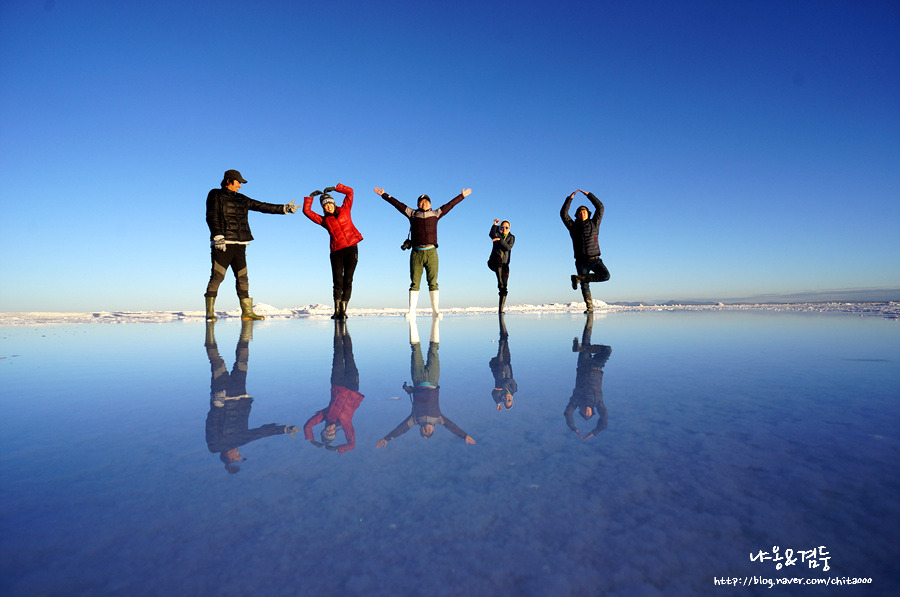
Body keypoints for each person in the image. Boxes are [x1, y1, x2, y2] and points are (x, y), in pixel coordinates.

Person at [204, 320, 298, 473]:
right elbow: (261, 433)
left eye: (237, 458)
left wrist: (217, 405)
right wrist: (284, 429)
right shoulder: (241, 440)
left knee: (216, 362)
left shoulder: (215, 445)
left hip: (223, 395)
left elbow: (211, 424)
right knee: (242, 360)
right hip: (240, 394)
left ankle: (209, 329)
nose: (240, 455)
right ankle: (246, 331)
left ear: (229, 458)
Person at [204, 169, 298, 322]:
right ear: (228, 181)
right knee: (217, 277)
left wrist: (284, 208)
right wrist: (217, 235)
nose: (240, 185)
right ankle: (210, 312)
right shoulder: (215, 194)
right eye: (238, 182)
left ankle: (247, 312)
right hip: (223, 243)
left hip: (240, 244)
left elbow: (261, 206)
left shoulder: (242, 199)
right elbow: (211, 215)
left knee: (243, 278)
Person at [375, 317, 476, 447]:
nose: (426, 431)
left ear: (420, 430)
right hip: (433, 379)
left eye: (424, 432)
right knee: (433, 348)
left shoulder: (415, 419)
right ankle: (436, 320)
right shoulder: (439, 418)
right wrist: (464, 435)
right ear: (433, 430)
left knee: (415, 348)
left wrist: (387, 438)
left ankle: (412, 320)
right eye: (429, 433)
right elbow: (451, 426)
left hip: (417, 379)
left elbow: (401, 429)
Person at [374, 186, 472, 318]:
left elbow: (450, 205)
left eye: (426, 201)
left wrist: (462, 196)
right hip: (416, 253)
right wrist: (384, 195)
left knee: (433, 282)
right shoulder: (412, 213)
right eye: (421, 202)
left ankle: (435, 310)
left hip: (431, 253)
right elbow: (398, 204)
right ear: (417, 204)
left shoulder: (436, 213)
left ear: (430, 204)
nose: (423, 203)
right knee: (414, 283)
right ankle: (411, 311)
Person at [302, 184, 363, 319]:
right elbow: (307, 211)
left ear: (334, 203)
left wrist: (336, 188)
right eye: (325, 205)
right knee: (337, 281)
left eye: (329, 203)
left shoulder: (345, 210)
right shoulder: (324, 220)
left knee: (348, 280)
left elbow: (350, 192)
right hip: (336, 252)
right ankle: (337, 311)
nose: (328, 206)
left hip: (351, 248)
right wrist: (310, 198)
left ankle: (343, 311)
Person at [303, 320, 365, 453]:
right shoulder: (345, 424)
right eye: (331, 433)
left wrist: (312, 440)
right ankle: (345, 328)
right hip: (352, 386)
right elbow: (352, 444)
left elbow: (308, 426)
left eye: (327, 432)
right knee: (349, 355)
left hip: (337, 383)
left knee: (337, 354)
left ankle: (337, 326)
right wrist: (337, 448)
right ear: (335, 433)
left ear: (324, 430)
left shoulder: (325, 416)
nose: (330, 430)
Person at [560, 189, 610, 313]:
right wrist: (570, 198)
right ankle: (589, 308)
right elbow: (563, 213)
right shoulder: (572, 226)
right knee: (585, 285)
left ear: (588, 214)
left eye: (584, 212)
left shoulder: (594, 223)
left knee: (605, 276)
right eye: (580, 213)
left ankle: (579, 278)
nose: (582, 214)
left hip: (595, 259)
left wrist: (588, 195)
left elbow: (600, 207)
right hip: (581, 261)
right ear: (577, 215)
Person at [564, 314, 612, 440]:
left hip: (583, 365)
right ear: (592, 412)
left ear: (580, 411)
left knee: (586, 339)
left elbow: (567, 413)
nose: (586, 413)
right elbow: (604, 419)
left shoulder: (576, 400)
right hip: (597, 366)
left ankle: (590, 316)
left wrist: (573, 428)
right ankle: (582, 348)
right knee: (607, 349)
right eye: (588, 414)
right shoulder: (598, 403)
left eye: (584, 414)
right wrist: (594, 432)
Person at [489, 314, 517, 411]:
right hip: (507, 363)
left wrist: (498, 403)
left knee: (501, 345)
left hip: (499, 366)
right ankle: (503, 326)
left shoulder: (499, 395)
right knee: (505, 342)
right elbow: (510, 380)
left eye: (505, 401)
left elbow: (493, 394)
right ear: (512, 399)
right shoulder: (514, 389)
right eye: (509, 400)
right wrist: (503, 386)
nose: (506, 398)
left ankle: (501, 320)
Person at [487, 219, 515, 313]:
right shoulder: (497, 234)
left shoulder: (511, 237)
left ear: (509, 228)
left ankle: (500, 309)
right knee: (498, 260)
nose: (504, 229)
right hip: (494, 262)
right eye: (502, 227)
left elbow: (508, 247)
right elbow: (491, 234)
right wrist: (495, 225)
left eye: (506, 227)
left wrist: (500, 240)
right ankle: (499, 281)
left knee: (504, 287)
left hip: (505, 264)